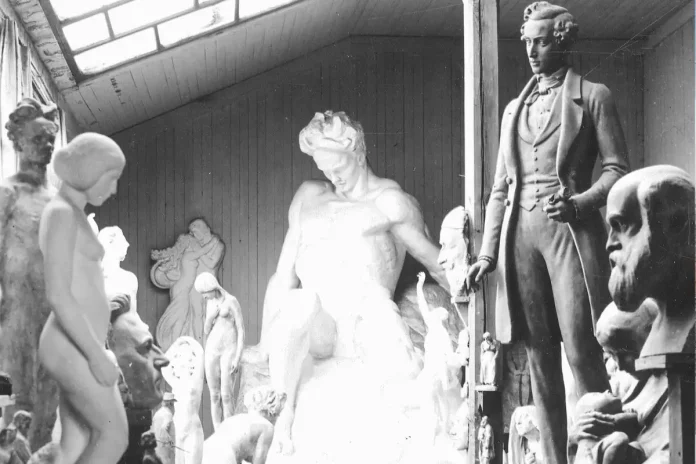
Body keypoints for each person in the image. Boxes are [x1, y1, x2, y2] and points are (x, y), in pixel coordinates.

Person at [465, 3, 630, 462]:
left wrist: (579, 203)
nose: (532, 52)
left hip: (570, 238)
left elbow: (618, 170)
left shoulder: (593, 95)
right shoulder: (515, 109)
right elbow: (499, 190)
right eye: (527, 43)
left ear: (562, 41)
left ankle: (602, 451)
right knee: (540, 360)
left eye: (540, 42)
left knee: (581, 351)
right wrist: (485, 255)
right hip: (521, 242)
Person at [262, 110, 448, 455]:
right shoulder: (308, 197)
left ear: (358, 153)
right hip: (319, 328)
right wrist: (263, 344)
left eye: (338, 167)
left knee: (379, 318)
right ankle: (283, 416)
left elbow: (436, 264)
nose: (333, 177)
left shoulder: (390, 202)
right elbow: (283, 276)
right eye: (324, 170)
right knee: (299, 302)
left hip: (367, 320)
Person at [38, 132, 128, 464]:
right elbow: (58, 293)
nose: (114, 188)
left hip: (80, 341)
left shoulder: (71, 211)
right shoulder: (60, 212)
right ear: (89, 170)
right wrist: (96, 355)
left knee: (76, 441)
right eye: (111, 178)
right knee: (113, 435)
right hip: (70, 343)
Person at [0, 98, 60, 450]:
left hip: (51, 315)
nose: (47, 146)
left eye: (51, 140)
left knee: (48, 405)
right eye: (39, 139)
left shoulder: (58, 201)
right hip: (16, 313)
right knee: (16, 399)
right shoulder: (7, 193)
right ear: (19, 141)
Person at [196, 272, 245, 430]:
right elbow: (205, 330)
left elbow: (241, 329)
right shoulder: (210, 303)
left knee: (226, 395)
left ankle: (229, 432)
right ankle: (218, 432)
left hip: (228, 350)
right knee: (214, 395)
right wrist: (210, 317)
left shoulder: (231, 301)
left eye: (204, 293)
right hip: (212, 350)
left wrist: (238, 357)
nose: (204, 297)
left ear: (212, 287)